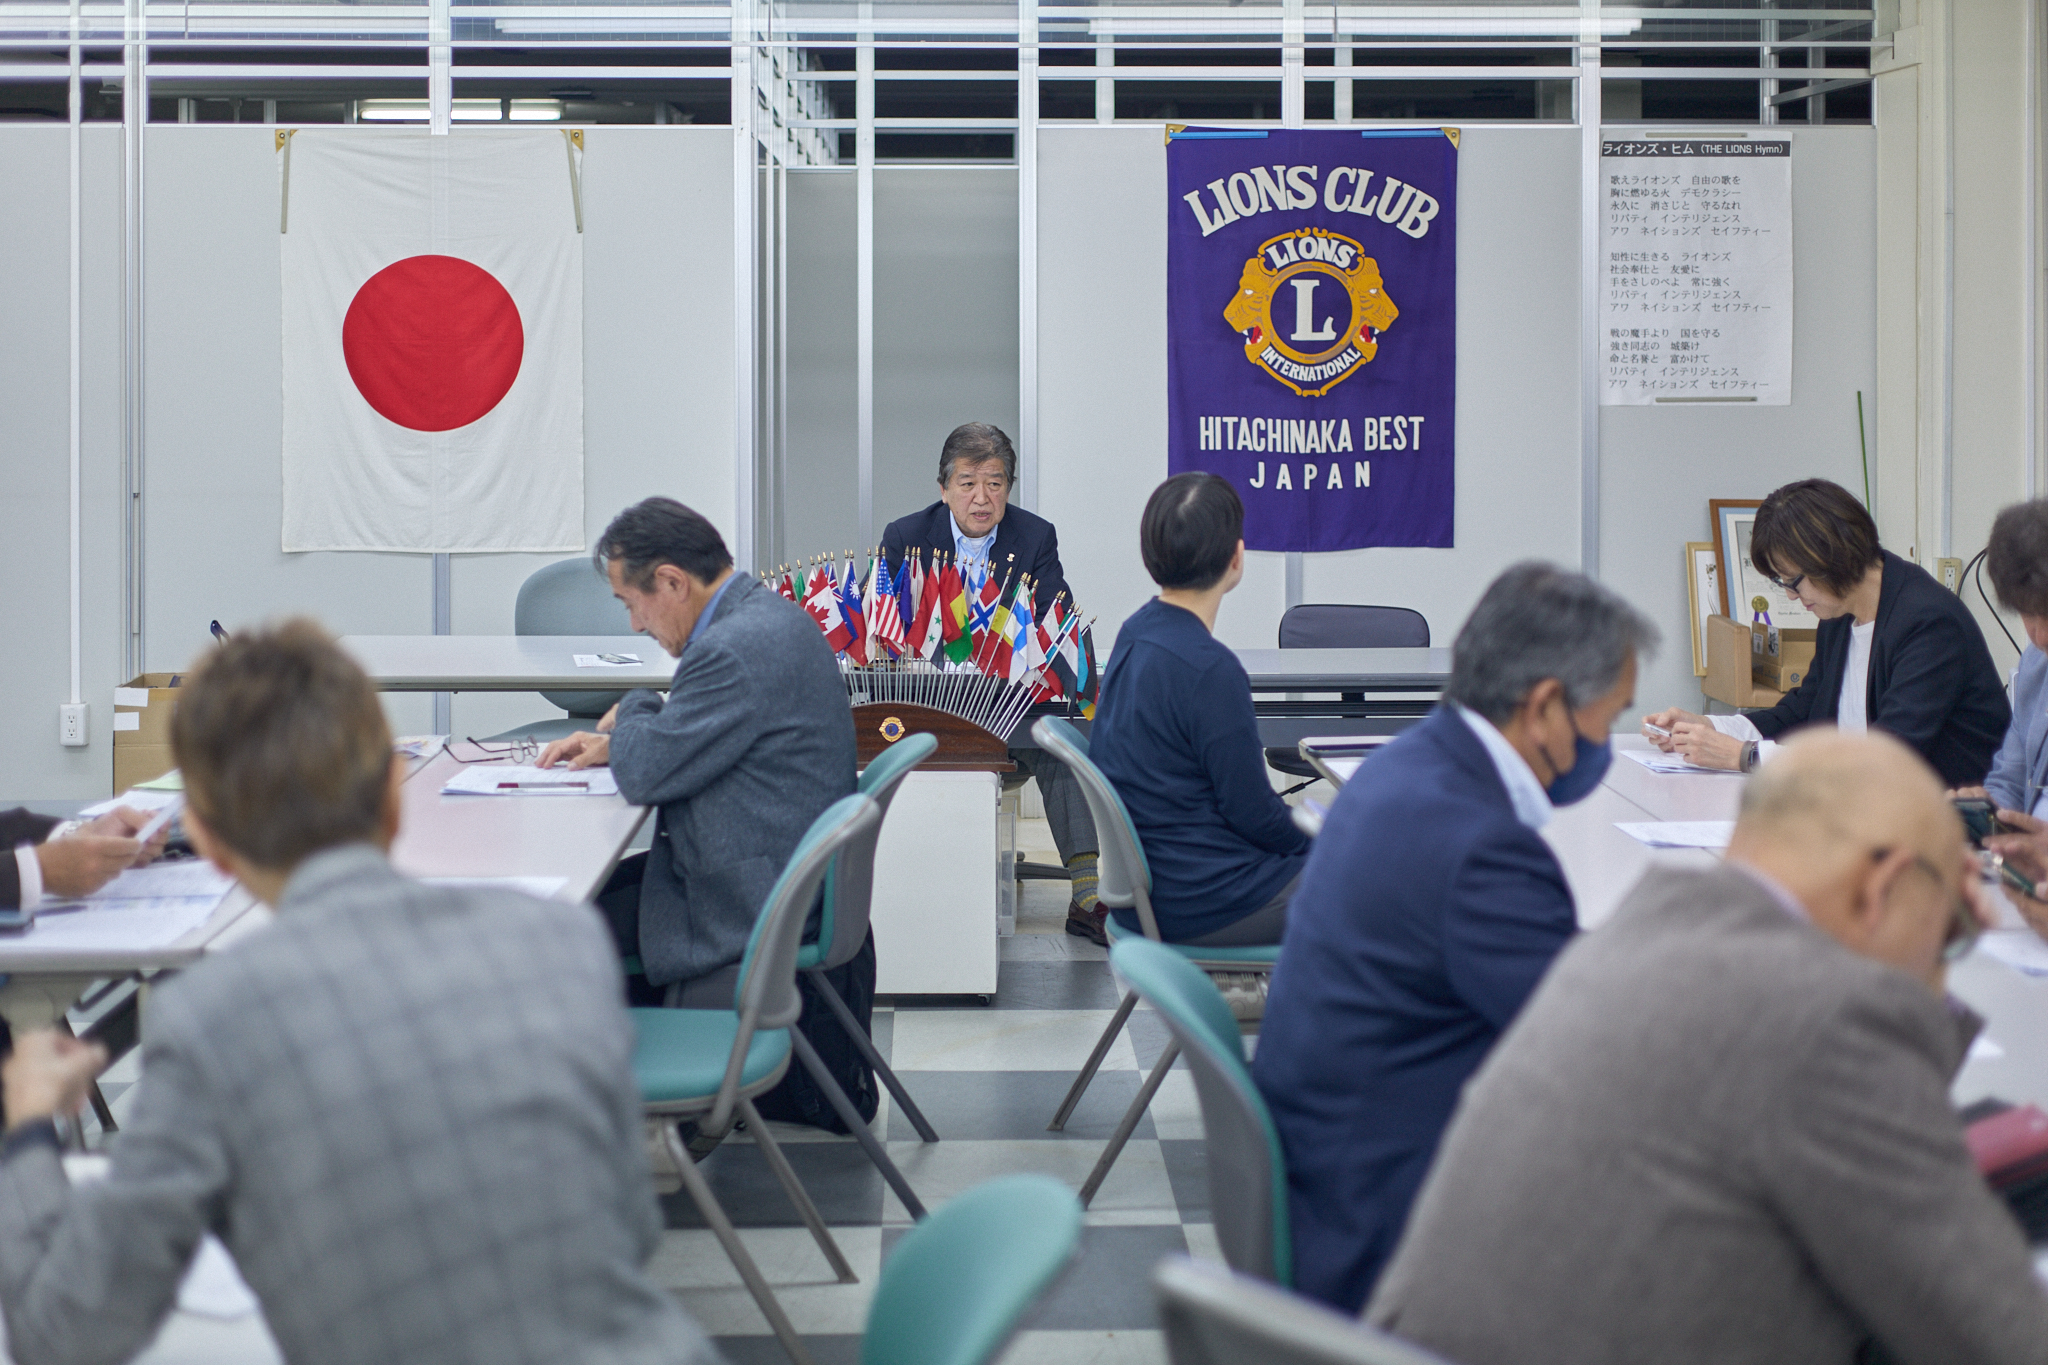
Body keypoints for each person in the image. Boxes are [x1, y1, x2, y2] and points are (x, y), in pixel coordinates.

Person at [0, 621, 719, 1365]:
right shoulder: (563, 943)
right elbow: (630, 1225)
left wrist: (27, 1129)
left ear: (205, 840)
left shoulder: (212, 1021)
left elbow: (61, 1334)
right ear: (394, 796)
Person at [1366, 731, 2048, 1365]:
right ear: (1882, 886)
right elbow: (2001, 1332)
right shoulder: (1824, 1021)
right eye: (1949, 920)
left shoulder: (1638, 925)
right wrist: (1937, 962)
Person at [1253, 562, 1655, 1312]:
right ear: (1543, 707)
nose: (1612, 738)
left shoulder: (1401, 765)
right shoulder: (1481, 850)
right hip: (1388, 1228)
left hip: (1330, 1169)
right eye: (1611, 714)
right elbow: (1608, 1057)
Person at [539, 497, 870, 1136]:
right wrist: (643, 733)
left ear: (671, 581)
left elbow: (646, 774)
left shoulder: (732, 649)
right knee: (598, 897)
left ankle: (600, 1123)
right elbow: (702, 741)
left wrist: (634, 706)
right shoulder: (767, 618)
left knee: (550, 938)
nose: (635, 626)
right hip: (775, 870)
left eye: (631, 603)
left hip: (745, 895)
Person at [879, 422, 1106, 943]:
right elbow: (885, 629)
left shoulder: (1034, 537)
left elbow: (1057, 619)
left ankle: (1086, 894)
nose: (982, 498)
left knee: (1062, 745)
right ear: (943, 489)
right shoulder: (907, 538)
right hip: (934, 710)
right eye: (967, 483)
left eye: (996, 483)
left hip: (1011, 710)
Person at [1645, 478, 2009, 786]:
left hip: (1941, 829)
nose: (1789, 594)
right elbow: (1800, 714)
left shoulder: (1928, 623)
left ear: (1833, 557)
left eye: (1794, 581)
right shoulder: (1840, 616)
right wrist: (1707, 728)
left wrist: (1746, 757)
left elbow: (1887, 758)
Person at [1089, 473, 1309, 946]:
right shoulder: (1210, 670)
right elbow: (1254, 815)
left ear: (1151, 554)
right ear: (1236, 557)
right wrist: (1328, 838)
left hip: (1145, 894)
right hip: (1204, 900)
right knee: (1381, 875)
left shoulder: (1136, 632)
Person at [1962, 497, 2048, 815]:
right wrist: (1987, 810)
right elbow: (2009, 781)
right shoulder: (2036, 664)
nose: (2039, 636)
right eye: (2027, 615)